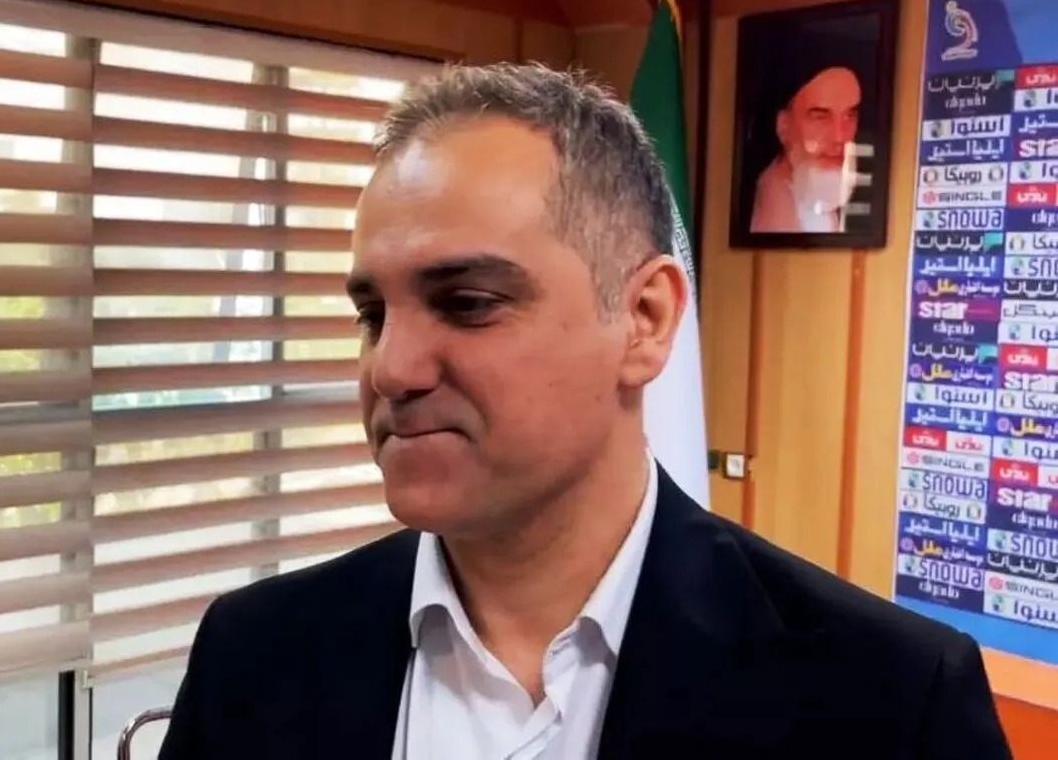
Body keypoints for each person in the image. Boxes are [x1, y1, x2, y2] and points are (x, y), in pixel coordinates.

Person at [158, 63, 1010, 759]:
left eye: (467, 303)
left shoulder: (889, 703)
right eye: (372, 314)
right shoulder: (254, 654)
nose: (391, 368)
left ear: (644, 320)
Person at [750, 62, 863, 234]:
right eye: (821, 118)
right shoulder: (774, 211)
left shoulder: (815, 195)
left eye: (850, 116)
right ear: (784, 126)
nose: (840, 137)